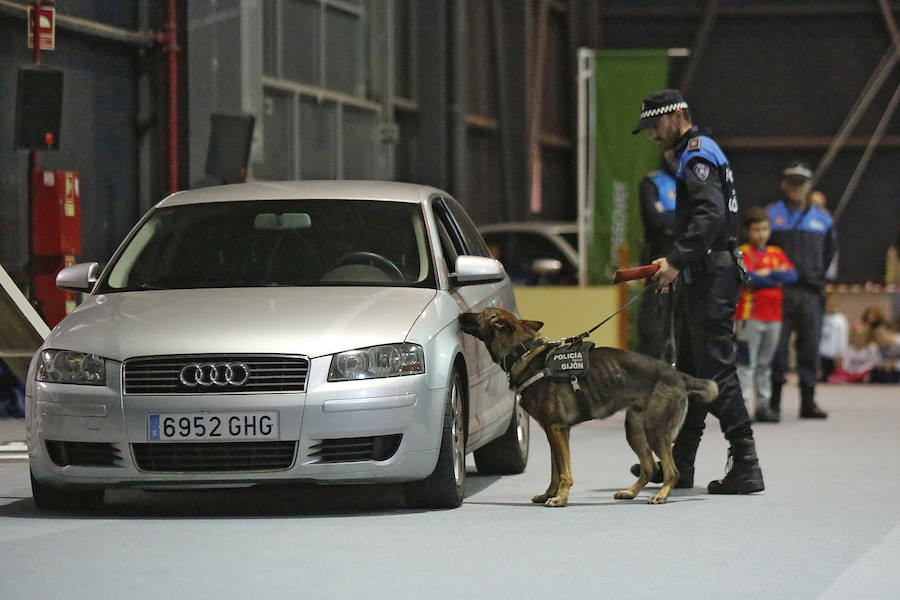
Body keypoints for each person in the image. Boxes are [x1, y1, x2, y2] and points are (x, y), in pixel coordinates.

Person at [630, 88, 764, 494]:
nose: (653, 135)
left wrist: (675, 259)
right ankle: (680, 464)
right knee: (689, 371)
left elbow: (709, 215)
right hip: (704, 272)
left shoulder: (697, 153)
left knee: (717, 369)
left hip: (711, 275)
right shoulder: (698, 152)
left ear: (676, 116)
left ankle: (746, 461)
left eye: (655, 125)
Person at [767, 161, 837, 419]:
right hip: (779, 293)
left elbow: (830, 252)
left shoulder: (823, 219)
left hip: (810, 293)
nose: (796, 187)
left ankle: (808, 402)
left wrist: (815, 276)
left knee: (810, 348)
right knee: (778, 350)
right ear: (784, 185)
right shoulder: (771, 215)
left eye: (801, 182)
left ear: (809, 186)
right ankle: (773, 403)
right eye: (792, 182)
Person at [734, 206, 796, 422]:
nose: (761, 234)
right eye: (756, 230)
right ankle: (741, 409)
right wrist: (773, 277)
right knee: (745, 364)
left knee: (764, 364)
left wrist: (767, 273)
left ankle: (762, 406)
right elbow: (749, 278)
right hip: (749, 316)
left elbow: (792, 275)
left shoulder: (776, 253)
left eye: (765, 229)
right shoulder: (742, 252)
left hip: (774, 317)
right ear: (747, 231)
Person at [636, 149, 678, 361]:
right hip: (658, 267)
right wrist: (685, 219)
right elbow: (656, 221)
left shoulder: (694, 183)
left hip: (688, 266)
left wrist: (670, 217)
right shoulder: (652, 183)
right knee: (654, 331)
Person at [818, 292, 849, 381]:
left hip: (832, 355)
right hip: (820, 354)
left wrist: (841, 354)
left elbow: (843, 338)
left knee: (830, 378)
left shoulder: (840, 319)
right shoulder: (820, 317)